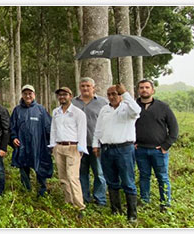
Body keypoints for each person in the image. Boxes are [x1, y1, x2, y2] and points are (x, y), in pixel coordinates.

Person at [93, 84, 141, 222]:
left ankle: (132, 214)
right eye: (109, 94)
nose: (112, 97)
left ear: (120, 94)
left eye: (114, 94)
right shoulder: (104, 109)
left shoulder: (128, 108)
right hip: (107, 149)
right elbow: (98, 129)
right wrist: (96, 145)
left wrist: (125, 93)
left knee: (127, 181)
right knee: (111, 180)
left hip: (124, 149)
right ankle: (115, 209)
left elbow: (137, 110)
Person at [134, 79, 179, 212]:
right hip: (140, 149)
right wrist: (132, 142)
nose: (144, 90)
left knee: (162, 177)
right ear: (138, 90)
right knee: (144, 176)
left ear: (152, 90)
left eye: (147, 87)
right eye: (141, 87)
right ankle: (144, 200)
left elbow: (174, 128)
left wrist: (166, 146)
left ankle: (165, 203)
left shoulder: (163, 107)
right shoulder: (133, 106)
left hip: (158, 150)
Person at [49, 87, 88, 217]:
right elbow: (53, 129)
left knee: (73, 177)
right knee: (63, 177)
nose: (62, 97)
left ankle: (79, 206)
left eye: (65, 94)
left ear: (71, 96)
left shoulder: (78, 113)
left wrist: (81, 148)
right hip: (59, 147)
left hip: (73, 147)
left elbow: (82, 131)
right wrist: (53, 146)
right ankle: (68, 201)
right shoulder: (56, 112)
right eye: (60, 95)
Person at [71, 77, 108, 207]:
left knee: (99, 173)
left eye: (88, 86)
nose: (85, 88)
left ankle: (100, 199)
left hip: (97, 145)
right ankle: (85, 197)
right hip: (79, 145)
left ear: (94, 87)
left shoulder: (103, 102)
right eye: (82, 86)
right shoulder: (73, 102)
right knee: (81, 173)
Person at [10, 84, 52, 197]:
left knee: (40, 168)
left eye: (30, 93)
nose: (28, 96)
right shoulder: (17, 110)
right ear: (22, 95)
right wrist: (14, 138)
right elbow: (12, 127)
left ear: (34, 95)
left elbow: (49, 127)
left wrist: (50, 144)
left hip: (39, 146)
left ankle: (42, 191)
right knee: (23, 168)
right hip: (23, 145)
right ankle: (26, 190)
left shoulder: (40, 110)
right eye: (25, 94)